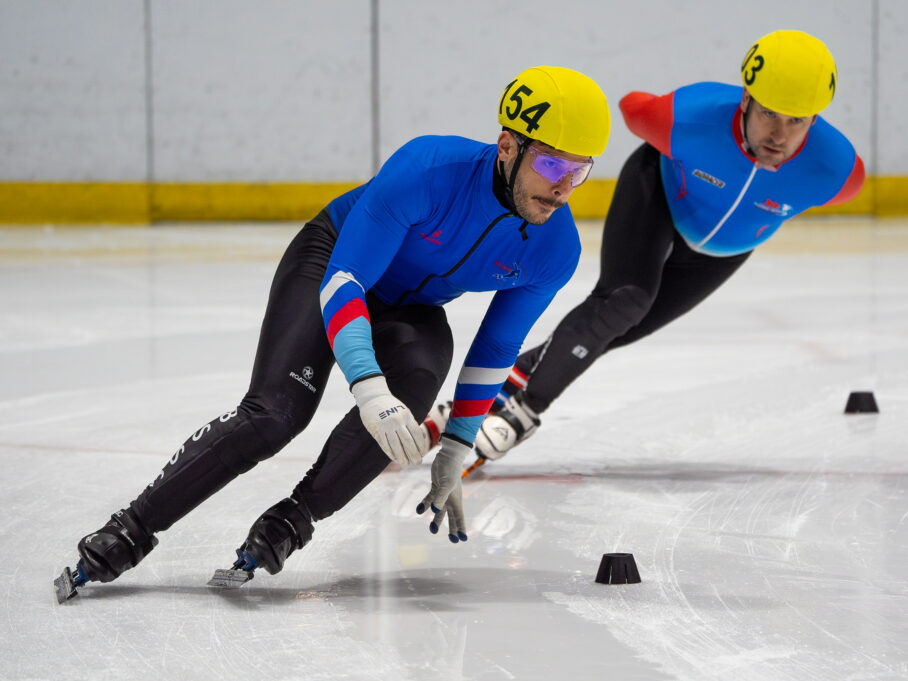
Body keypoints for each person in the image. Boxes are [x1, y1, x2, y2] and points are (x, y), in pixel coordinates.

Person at [54, 65, 611, 602]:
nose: (563, 188)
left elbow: (495, 346)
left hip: (413, 307)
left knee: (415, 386)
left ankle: (292, 520)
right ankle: (130, 529)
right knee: (276, 415)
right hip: (334, 264)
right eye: (552, 165)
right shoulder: (428, 169)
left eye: (579, 171)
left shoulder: (556, 248)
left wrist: (457, 446)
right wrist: (367, 388)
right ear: (508, 147)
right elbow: (346, 282)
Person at [448, 30, 865, 476]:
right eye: (768, 113)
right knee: (623, 301)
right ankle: (523, 411)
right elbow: (633, 108)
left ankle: (489, 395)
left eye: (797, 121)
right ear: (745, 98)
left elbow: (831, 184)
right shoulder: (689, 116)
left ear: (816, 119)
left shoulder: (837, 172)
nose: (779, 136)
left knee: (620, 328)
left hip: (723, 250)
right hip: (658, 194)